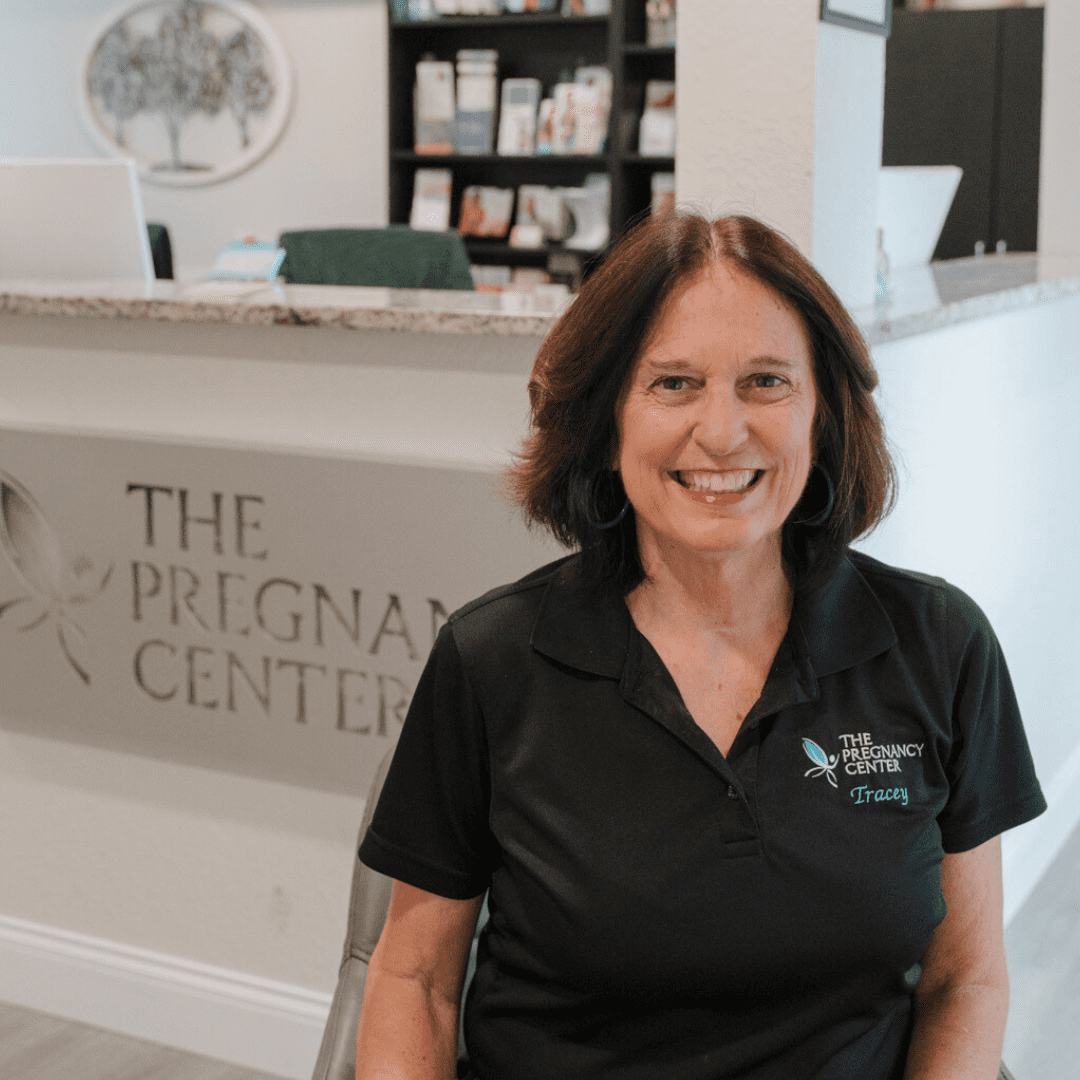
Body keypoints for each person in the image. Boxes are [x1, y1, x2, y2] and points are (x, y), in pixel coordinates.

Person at [354, 212, 1046, 1080]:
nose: (722, 433)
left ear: (822, 415)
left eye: (765, 381)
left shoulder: (939, 647)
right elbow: (413, 980)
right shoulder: (492, 661)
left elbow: (966, 981)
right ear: (606, 422)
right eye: (673, 384)